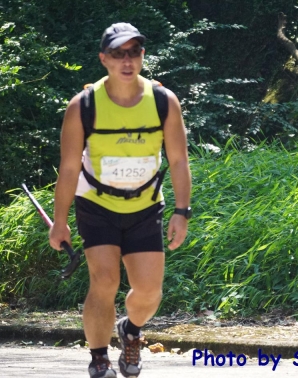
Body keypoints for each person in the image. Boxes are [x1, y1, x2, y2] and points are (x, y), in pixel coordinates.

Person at [49, 23, 192, 378]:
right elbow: (69, 168)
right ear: (104, 59)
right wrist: (60, 221)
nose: (127, 61)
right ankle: (99, 357)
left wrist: (182, 211)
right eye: (118, 53)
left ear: (142, 55)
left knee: (149, 291)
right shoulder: (83, 106)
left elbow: (178, 160)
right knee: (105, 281)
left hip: (145, 206)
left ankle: (130, 329)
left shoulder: (163, 101)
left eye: (134, 52)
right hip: (97, 206)